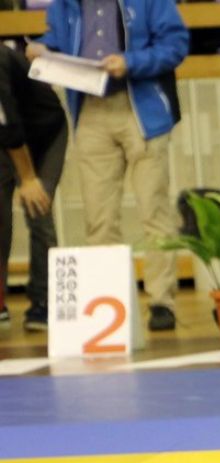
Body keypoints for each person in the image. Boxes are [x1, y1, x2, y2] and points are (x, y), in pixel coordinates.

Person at [28, 0, 188, 333]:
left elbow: (175, 45)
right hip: (90, 110)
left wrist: (131, 62)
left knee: (154, 210)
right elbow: (57, 41)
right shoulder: (64, 5)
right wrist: (42, 50)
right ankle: (111, 303)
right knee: (98, 217)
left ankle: (162, 301)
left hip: (141, 109)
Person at [0, 41, 66, 331]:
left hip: (44, 131)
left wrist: (27, 178)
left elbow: (10, 126)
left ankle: (44, 301)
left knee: (38, 207)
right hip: (5, 138)